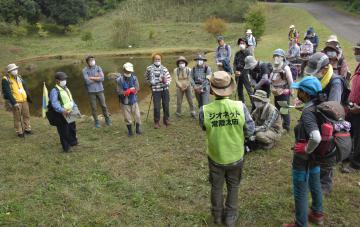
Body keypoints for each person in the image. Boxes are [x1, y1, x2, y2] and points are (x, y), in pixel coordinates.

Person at [199, 71, 255, 227]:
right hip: (236, 156)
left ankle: (216, 216)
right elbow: (250, 130)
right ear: (230, 88)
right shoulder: (240, 106)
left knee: (216, 187)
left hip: (216, 157)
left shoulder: (204, 110)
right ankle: (230, 216)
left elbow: (204, 127)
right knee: (234, 185)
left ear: (212, 89)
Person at [283, 76, 324, 227]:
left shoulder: (308, 113)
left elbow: (316, 137)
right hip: (317, 155)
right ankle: (317, 213)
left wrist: (306, 148)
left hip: (304, 157)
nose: (298, 92)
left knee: (300, 190)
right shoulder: (320, 104)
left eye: (300, 90)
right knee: (315, 183)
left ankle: (300, 223)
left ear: (306, 93)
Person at [304, 52, 347, 195]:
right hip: (318, 119)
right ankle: (314, 176)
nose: (313, 75)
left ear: (325, 68)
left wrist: (312, 107)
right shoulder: (319, 80)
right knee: (317, 150)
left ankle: (325, 186)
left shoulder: (335, 82)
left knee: (327, 153)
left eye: (316, 72)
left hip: (331, 122)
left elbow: (332, 107)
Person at [49, 72, 80, 152]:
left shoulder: (66, 88)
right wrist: (62, 110)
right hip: (62, 114)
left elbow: (71, 99)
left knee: (72, 128)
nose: (64, 80)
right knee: (64, 131)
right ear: (57, 81)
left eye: (65, 79)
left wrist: (75, 108)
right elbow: (54, 103)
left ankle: (73, 142)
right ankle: (66, 147)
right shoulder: (54, 91)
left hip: (71, 112)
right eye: (62, 79)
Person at [2, 63, 32, 137]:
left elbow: (24, 87)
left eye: (16, 69)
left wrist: (28, 97)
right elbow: (7, 92)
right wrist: (14, 103)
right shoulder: (5, 79)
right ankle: (19, 131)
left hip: (24, 100)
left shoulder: (19, 77)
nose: (15, 70)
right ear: (9, 71)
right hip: (16, 102)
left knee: (26, 115)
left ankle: (27, 129)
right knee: (17, 117)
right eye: (13, 70)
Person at [343, 41, 360, 172]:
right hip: (353, 108)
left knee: (359, 138)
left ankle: (356, 165)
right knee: (350, 133)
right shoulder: (358, 67)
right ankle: (348, 156)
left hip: (359, 110)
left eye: (357, 51)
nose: (355, 53)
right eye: (355, 50)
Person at [82, 55, 111, 128]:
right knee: (94, 108)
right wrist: (97, 77)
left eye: (93, 60)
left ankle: (107, 119)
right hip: (91, 92)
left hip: (100, 90)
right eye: (90, 60)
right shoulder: (84, 70)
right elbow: (87, 81)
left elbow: (102, 78)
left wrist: (91, 77)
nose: (92, 61)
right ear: (87, 62)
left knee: (104, 106)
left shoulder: (98, 68)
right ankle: (96, 122)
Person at [144, 53, 172, 129]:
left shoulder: (164, 68)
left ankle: (166, 119)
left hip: (164, 89)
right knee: (156, 106)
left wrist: (167, 83)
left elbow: (169, 78)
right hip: (156, 90)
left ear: (161, 60)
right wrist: (150, 83)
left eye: (159, 59)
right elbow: (146, 77)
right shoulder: (149, 68)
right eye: (156, 59)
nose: (157, 60)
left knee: (166, 105)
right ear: (153, 60)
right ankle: (156, 122)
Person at [270, 49, 293, 132]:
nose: (276, 58)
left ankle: (286, 127)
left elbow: (290, 80)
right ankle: (279, 124)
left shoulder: (285, 68)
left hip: (284, 91)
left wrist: (291, 90)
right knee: (277, 108)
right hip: (276, 92)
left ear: (282, 57)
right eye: (275, 56)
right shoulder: (274, 67)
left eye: (278, 56)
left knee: (284, 109)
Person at [117, 62, 141, 136]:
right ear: (124, 70)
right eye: (127, 71)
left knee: (137, 116)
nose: (129, 72)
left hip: (134, 100)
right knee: (127, 117)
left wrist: (134, 90)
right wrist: (125, 92)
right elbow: (119, 91)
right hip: (124, 102)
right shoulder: (119, 80)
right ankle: (130, 131)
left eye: (130, 71)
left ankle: (137, 129)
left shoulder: (134, 78)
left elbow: (137, 88)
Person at [233, 38, 253, 103]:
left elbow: (249, 65)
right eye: (240, 43)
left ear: (246, 45)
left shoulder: (248, 53)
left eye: (243, 43)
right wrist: (235, 71)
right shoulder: (237, 53)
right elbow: (234, 63)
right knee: (239, 91)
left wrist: (241, 72)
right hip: (237, 74)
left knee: (249, 90)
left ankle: (254, 105)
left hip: (245, 74)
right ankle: (241, 105)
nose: (241, 45)